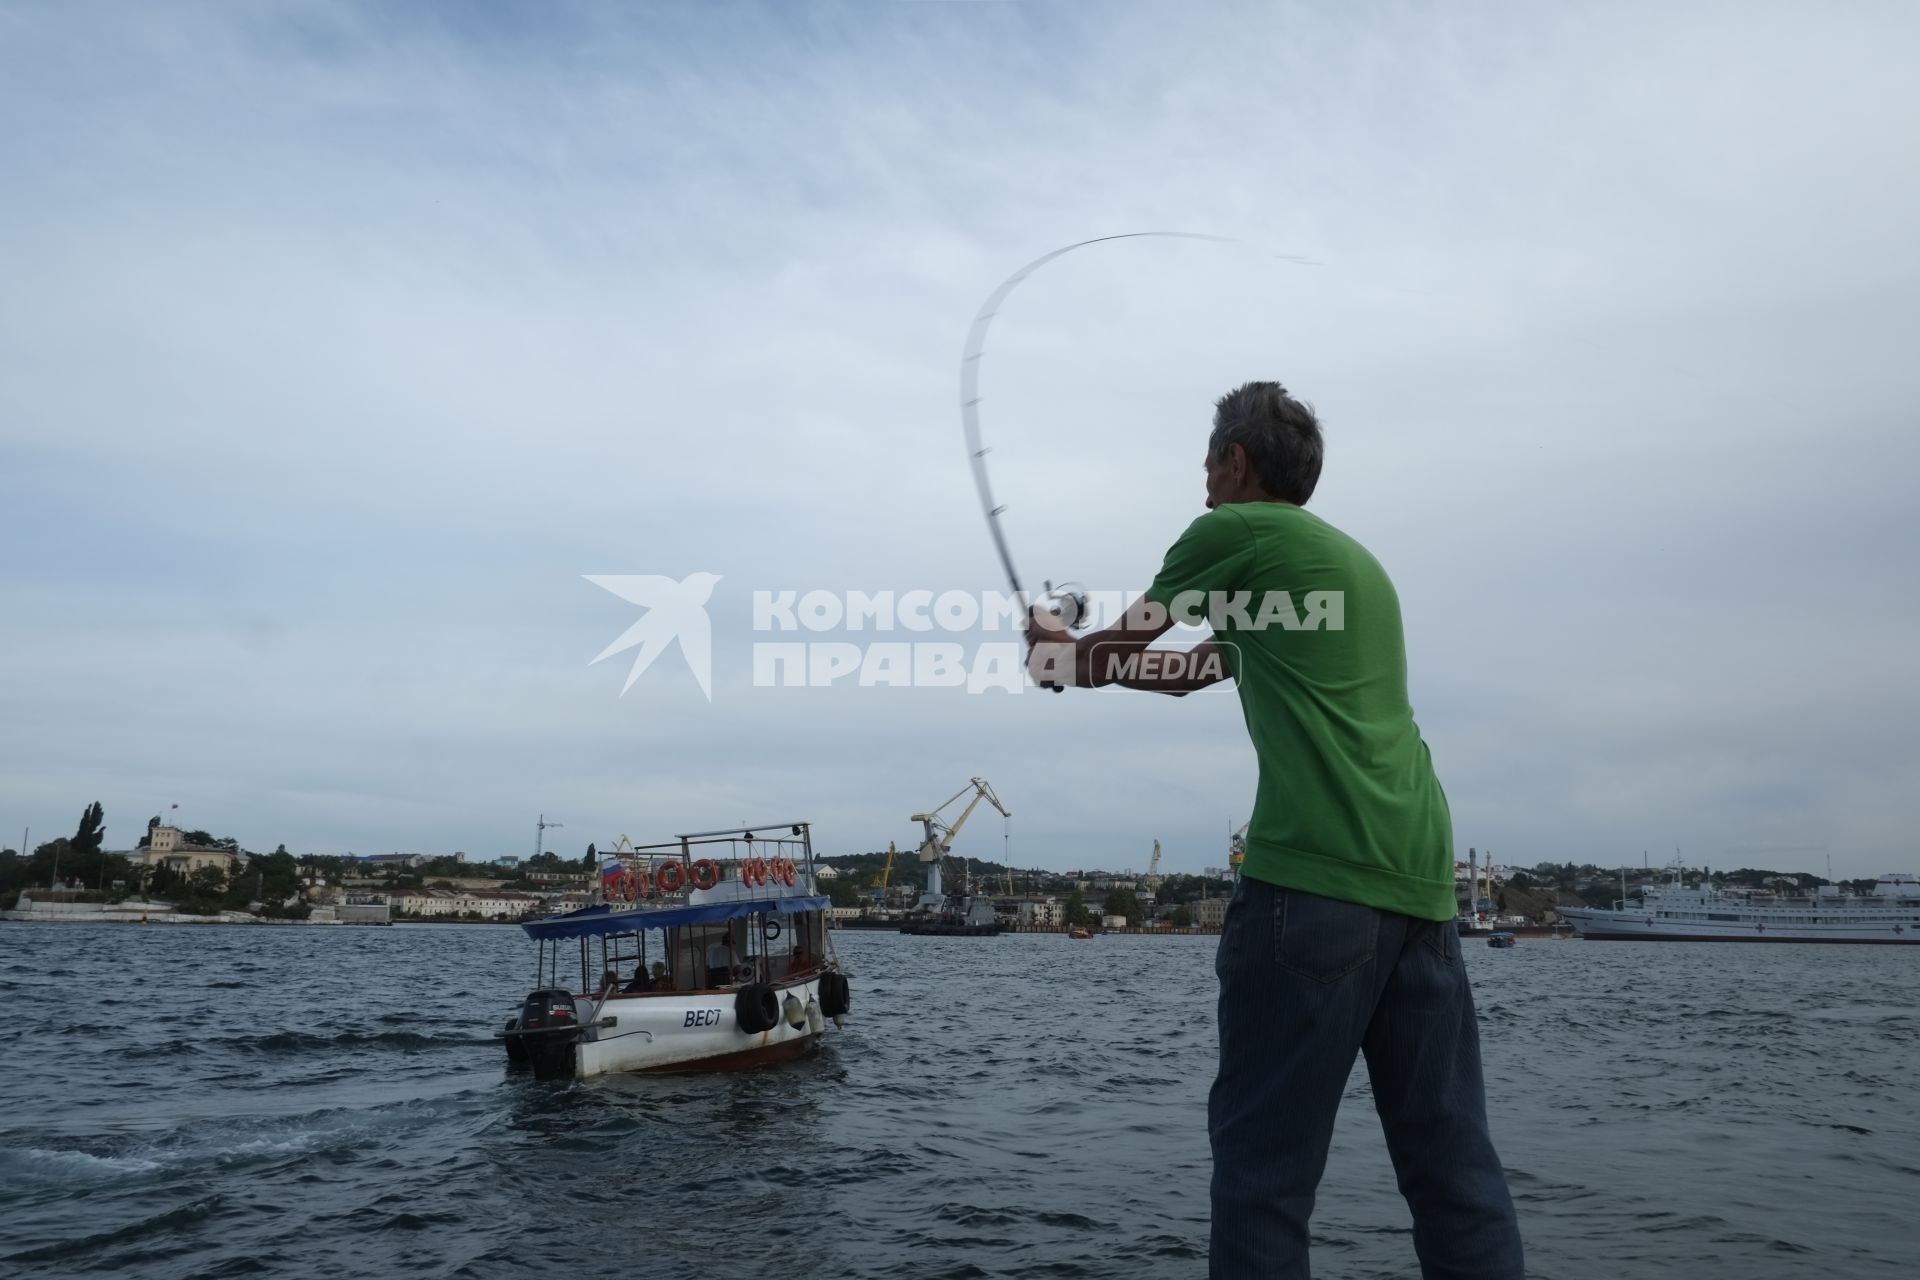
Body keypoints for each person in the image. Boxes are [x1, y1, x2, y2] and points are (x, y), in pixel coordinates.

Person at [1028, 382, 1524, 1279]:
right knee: (1452, 1172)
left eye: (1210, 461)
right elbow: (1185, 672)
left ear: (1236, 462)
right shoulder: (1353, 567)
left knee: (1264, 1179)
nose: (1203, 479)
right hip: (1421, 888)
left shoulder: (1230, 533)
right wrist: (1081, 663)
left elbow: (1124, 645)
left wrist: (1053, 643)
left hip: (1311, 889)